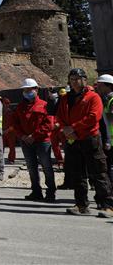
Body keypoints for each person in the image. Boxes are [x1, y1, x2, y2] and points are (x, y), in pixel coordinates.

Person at [58, 68, 113, 217]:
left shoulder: (93, 97)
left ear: (84, 80)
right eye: (72, 79)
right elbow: (60, 116)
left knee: (99, 173)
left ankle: (107, 205)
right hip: (73, 140)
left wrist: (73, 128)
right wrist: (66, 130)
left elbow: (93, 117)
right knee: (78, 174)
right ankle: (81, 204)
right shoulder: (65, 98)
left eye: (78, 78)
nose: (74, 82)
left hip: (90, 138)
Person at [9, 78, 56, 202]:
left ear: (36, 90)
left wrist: (34, 136)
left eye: (29, 90)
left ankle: (51, 192)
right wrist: (23, 136)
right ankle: (36, 191)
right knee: (31, 168)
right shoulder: (20, 107)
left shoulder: (45, 105)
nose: (26, 92)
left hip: (42, 141)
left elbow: (49, 124)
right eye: (25, 90)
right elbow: (15, 124)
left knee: (46, 167)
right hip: (26, 142)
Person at [96, 74, 113, 182]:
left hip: (111, 142)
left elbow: (111, 124)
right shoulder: (106, 100)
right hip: (109, 141)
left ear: (109, 86)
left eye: (100, 86)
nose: (98, 88)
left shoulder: (111, 101)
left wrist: (108, 141)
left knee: (110, 167)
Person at [2, 97, 17, 164]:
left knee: (12, 146)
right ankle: (0, 159)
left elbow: (14, 124)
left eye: (8, 103)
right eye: (6, 103)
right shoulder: (0, 113)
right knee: (1, 147)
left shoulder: (11, 112)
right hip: (2, 132)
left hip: (11, 132)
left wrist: (7, 130)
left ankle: (11, 159)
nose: (7, 105)